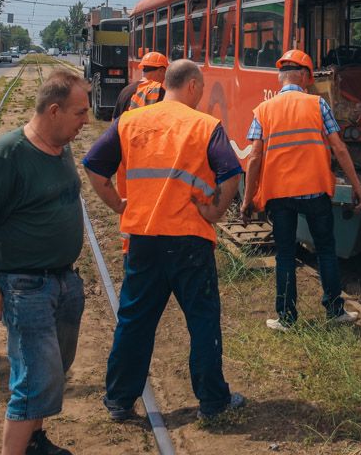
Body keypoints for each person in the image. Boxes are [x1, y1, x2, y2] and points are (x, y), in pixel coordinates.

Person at [82, 59, 246, 423]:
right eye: (200, 90)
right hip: (190, 240)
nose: (200, 97)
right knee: (202, 321)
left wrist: (117, 205)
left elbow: (93, 165)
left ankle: (119, 400)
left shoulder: (129, 121)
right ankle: (212, 401)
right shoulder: (205, 126)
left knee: (134, 320)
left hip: (143, 238)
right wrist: (214, 212)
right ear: (191, 86)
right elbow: (232, 172)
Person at [0, 71, 92, 455]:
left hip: (64, 281)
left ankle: (35, 441)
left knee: (54, 370)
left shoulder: (61, 145)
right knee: (35, 378)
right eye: (80, 113)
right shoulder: (8, 154)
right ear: (54, 110)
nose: (86, 121)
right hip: (25, 286)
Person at [240, 50, 361, 331]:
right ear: (306, 77)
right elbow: (340, 149)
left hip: (280, 195)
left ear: (281, 78)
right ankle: (335, 311)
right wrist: (357, 188)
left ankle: (286, 318)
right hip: (315, 192)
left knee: (285, 254)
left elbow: (253, 158)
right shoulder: (317, 104)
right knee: (325, 250)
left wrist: (248, 201)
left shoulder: (264, 110)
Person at [112, 51, 168, 115]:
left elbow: (114, 120)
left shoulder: (125, 90)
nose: (164, 77)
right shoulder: (159, 91)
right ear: (161, 71)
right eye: (165, 72)